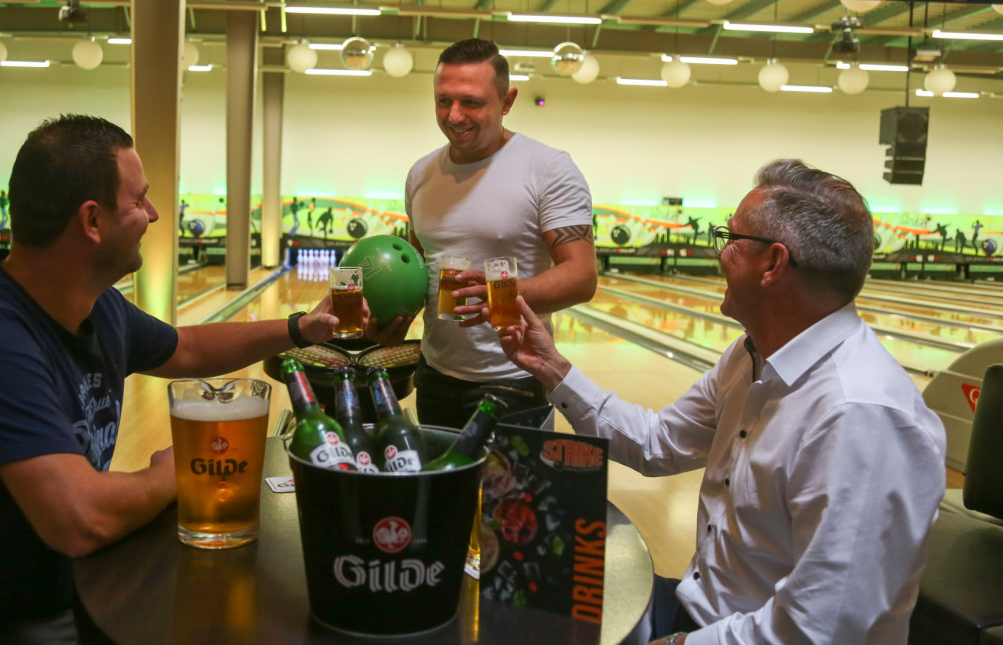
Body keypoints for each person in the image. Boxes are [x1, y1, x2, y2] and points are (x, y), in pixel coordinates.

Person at [0, 114, 354, 644]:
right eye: (140, 201)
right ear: (92, 220)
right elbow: (81, 518)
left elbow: (189, 347)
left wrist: (301, 327)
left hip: (54, 597)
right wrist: (179, 471)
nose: (155, 215)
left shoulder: (99, 308)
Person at [498, 159, 947, 644]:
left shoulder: (861, 417)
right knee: (523, 594)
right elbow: (657, 443)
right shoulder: (750, 355)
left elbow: (820, 629)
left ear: (773, 264)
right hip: (701, 613)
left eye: (729, 238)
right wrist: (551, 368)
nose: (718, 253)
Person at [392, 37, 596, 427]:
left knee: (512, 492)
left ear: (507, 101)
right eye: (442, 100)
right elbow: (420, 269)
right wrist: (393, 315)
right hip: (434, 376)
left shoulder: (548, 168)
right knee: (446, 491)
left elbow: (582, 277)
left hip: (515, 381)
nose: (453, 115)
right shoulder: (421, 174)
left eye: (471, 102)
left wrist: (496, 292)